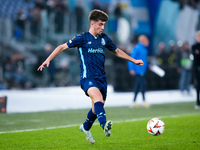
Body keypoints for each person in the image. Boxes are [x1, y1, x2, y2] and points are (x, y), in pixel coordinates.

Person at [37, 9, 144, 144]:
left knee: (96, 107)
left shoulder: (104, 39)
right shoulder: (82, 38)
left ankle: (85, 128)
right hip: (88, 78)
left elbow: (116, 51)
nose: (102, 27)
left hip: (102, 79)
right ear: (92, 23)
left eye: (104, 24)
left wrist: (134, 60)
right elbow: (61, 47)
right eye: (100, 24)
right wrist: (48, 59)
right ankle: (104, 125)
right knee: (97, 98)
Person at [128, 35, 149, 108]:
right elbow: (131, 58)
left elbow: (144, 60)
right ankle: (143, 101)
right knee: (142, 84)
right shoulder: (137, 48)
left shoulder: (144, 49)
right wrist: (131, 69)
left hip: (142, 70)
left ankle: (134, 101)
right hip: (138, 70)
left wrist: (148, 65)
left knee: (139, 85)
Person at [192, 31, 200, 109]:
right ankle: (198, 102)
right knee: (198, 84)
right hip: (197, 67)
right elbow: (195, 55)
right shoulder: (194, 46)